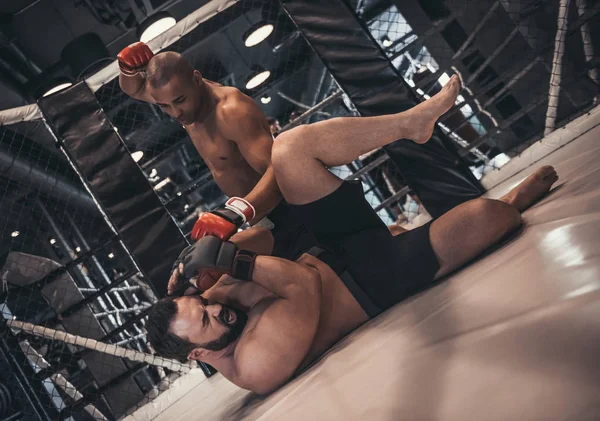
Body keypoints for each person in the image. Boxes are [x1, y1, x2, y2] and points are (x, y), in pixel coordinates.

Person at [145, 75, 559, 395]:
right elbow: (300, 284)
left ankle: (410, 123)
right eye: (205, 320)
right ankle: (511, 198)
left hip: (317, 241)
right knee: (492, 217)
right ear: (198, 353)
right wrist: (230, 261)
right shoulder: (256, 366)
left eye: (202, 305)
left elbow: (266, 246)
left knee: (288, 149)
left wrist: (211, 253)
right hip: (372, 279)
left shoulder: (213, 305)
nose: (214, 309)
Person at [117, 42, 314, 260]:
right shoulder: (177, 98)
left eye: (179, 101)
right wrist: (127, 70)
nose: (175, 113)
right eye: (164, 106)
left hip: (290, 209)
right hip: (260, 216)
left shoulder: (230, 111)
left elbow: (278, 170)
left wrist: (236, 213)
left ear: (197, 79)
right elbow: (133, 89)